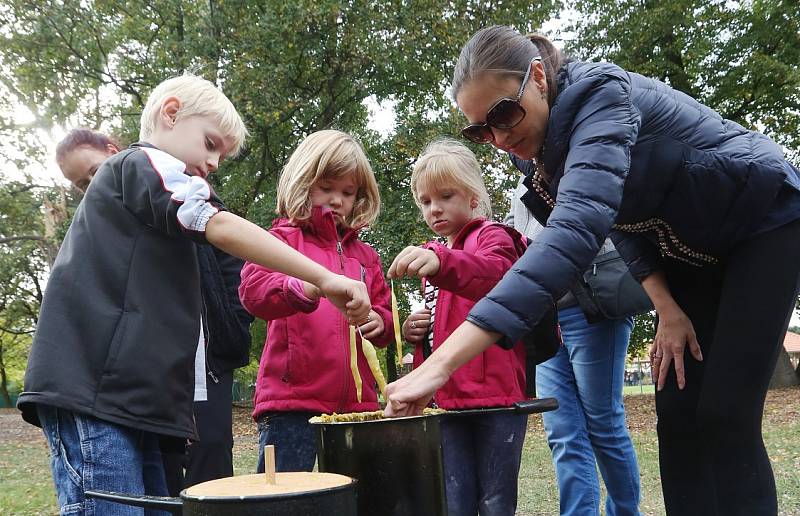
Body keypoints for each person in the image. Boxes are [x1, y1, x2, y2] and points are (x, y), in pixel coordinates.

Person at [385, 25, 800, 516]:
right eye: (481, 130)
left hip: (765, 221)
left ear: (538, 77)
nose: (498, 138)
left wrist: (440, 363)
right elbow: (620, 218)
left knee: (726, 413)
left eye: (503, 114)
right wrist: (665, 306)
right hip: (687, 254)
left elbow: (576, 230)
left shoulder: (601, 95)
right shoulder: (535, 150)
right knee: (678, 409)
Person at [19, 75, 371, 515]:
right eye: (210, 143)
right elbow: (218, 224)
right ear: (170, 113)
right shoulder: (141, 163)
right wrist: (324, 278)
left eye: (220, 153)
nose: (214, 161)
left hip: (135, 405)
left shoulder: (155, 209)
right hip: (94, 395)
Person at [55, 128, 255, 493]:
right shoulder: (107, 226)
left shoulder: (182, 192)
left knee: (212, 458)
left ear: (115, 152)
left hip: (209, 362)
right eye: (82, 184)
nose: (92, 184)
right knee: (159, 470)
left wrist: (233, 326)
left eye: (94, 170)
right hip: (153, 373)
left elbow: (232, 263)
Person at [238, 129, 393, 473]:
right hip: (291, 404)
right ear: (303, 182)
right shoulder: (282, 241)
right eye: (326, 188)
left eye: (347, 192)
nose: (337, 200)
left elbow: (383, 322)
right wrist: (310, 287)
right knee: (284, 501)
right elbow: (253, 290)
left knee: (357, 496)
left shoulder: (366, 257)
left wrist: (379, 322)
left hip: (357, 407)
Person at [392, 139, 528, 516]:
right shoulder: (435, 254)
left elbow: (495, 277)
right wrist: (414, 331)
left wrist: (440, 261)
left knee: (495, 501)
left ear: (472, 197)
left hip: (495, 399)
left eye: (445, 196)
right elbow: (445, 325)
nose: (434, 208)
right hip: (445, 402)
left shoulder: (493, 237)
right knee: (453, 499)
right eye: (425, 201)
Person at [505, 177, 641, 515]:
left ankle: (625, 511)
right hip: (545, 320)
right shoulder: (521, 193)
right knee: (562, 431)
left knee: (603, 422)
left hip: (593, 310)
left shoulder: (586, 169)